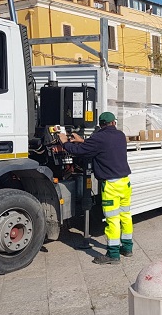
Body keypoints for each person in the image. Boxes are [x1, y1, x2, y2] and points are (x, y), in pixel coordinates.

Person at [59, 112, 133, 264]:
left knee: (112, 220)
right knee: (125, 216)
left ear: (101, 124)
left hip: (111, 185)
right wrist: (82, 140)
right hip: (125, 183)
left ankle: (113, 255)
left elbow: (79, 151)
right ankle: (127, 248)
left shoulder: (99, 138)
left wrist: (65, 142)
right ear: (114, 123)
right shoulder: (120, 135)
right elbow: (102, 145)